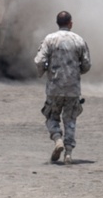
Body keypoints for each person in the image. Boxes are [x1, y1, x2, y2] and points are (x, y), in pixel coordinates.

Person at [34, 10, 91, 165]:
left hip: (54, 88)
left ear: (57, 23)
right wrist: (75, 73)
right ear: (70, 23)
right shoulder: (79, 40)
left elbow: (39, 61)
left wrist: (44, 72)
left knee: (51, 117)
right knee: (70, 120)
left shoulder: (50, 39)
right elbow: (86, 65)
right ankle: (68, 153)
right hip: (73, 89)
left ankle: (57, 139)